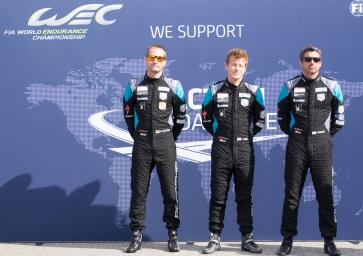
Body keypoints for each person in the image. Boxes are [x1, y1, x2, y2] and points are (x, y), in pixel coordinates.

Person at [276, 45, 345, 256]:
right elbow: (282, 120)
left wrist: (322, 135)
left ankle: (329, 241)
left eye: (315, 59)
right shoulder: (288, 86)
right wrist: (299, 133)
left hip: (322, 146)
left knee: (325, 194)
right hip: (296, 145)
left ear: (321, 62)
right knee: (292, 194)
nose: (311, 63)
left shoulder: (332, 86)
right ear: (301, 62)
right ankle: (287, 240)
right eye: (307, 59)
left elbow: (339, 120)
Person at [201, 48, 265, 254]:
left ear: (246, 68)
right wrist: (220, 135)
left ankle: (247, 238)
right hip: (221, 149)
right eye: (233, 64)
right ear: (226, 66)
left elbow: (260, 121)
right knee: (218, 196)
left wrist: (244, 137)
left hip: (244, 150)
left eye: (241, 65)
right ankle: (214, 238)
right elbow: (206, 119)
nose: (236, 68)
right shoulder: (214, 90)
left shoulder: (254, 91)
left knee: (244, 196)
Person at [123, 44, 186, 253]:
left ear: (165, 61)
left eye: (160, 58)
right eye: (152, 57)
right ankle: (136, 235)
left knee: (170, 191)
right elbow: (128, 115)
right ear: (145, 59)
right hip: (141, 144)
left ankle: (172, 235)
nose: (155, 61)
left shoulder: (174, 85)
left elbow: (180, 118)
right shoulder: (133, 85)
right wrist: (138, 135)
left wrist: (169, 136)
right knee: (138, 191)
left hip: (165, 143)